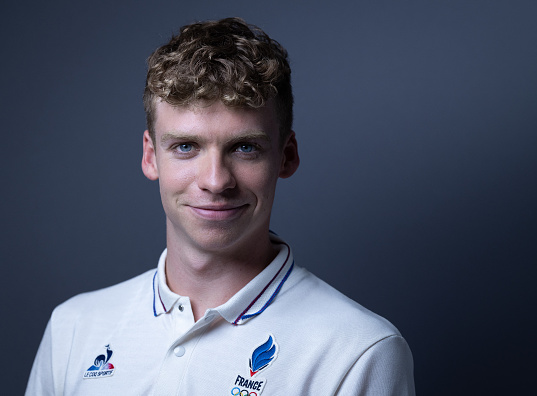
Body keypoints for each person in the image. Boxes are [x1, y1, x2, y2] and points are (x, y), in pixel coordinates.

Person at [26, 17, 415, 395]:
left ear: (286, 156)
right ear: (150, 157)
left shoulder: (358, 352)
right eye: (185, 147)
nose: (215, 180)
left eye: (245, 147)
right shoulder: (73, 329)